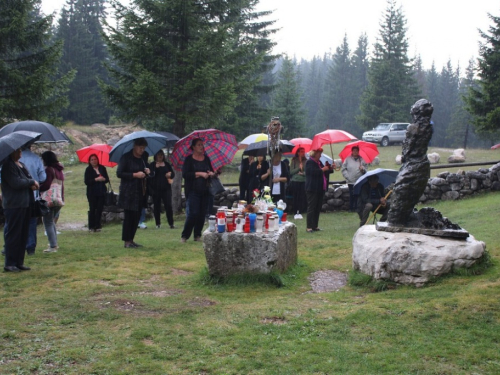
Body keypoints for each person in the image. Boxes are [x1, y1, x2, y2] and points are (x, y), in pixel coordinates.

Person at [2, 147, 39, 272]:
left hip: (25, 203)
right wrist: (31, 182)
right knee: (13, 234)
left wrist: (32, 184)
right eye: (18, 151)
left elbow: (26, 180)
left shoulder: (21, 164)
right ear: (12, 152)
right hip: (14, 204)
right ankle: (10, 263)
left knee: (23, 234)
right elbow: (16, 183)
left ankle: (19, 262)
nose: (20, 153)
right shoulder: (8, 165)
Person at [117, 138, 151, 248]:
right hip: (128, 191)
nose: (142, 150)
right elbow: (119, 173)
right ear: (134, 146)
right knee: (129, 216)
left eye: (144, 148)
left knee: (136, 216)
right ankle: (126, 241)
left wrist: (148, 171)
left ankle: (131, 239)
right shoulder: (126, 157)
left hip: (141, 191)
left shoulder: (144, 157)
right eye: (140, 148)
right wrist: (134, 175)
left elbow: (149, 171)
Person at [181, 138, 214, 243]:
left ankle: (197, 235)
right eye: (199, 145)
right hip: (192, 190)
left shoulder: (206, 158)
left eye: (202, 145)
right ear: (193, 147)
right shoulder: (189, 159)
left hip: (205, 190)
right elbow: (185, 175)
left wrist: (211, 173)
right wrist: (199, 174)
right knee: (193, 213)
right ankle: (185, 236)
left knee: (201, 214)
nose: (201, 147)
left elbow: (210, 170)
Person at [20, 146, 46, 255]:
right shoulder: (35, 158)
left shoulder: (11, 160)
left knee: (15, 221)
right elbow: (43, 177)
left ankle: (10, 246)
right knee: (31, 221)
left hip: (17, 196)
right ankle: (30, 247)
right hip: (33, 194)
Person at [39, 151, 65, 253]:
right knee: (52, 222)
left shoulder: (49, 170)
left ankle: (53, 246)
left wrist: (38, 187)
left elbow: (46, 185)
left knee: (47, 222)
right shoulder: (59, 170)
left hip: (49, 199)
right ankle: (54, 243)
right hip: (58, 199)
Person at [305, 147, 333, 233]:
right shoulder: (309, 162)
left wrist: (330, 168)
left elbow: (324, 172)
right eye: (319, 153)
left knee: (318, 207)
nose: (320, 155)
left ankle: (315, 226)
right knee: (311, 207)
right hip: (312, 188)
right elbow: (312, 172)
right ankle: (309, 226)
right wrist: (322, 169)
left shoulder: (319, 162)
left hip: (320, 188)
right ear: (315, 153)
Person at [149, 149, 175, 229]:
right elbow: (150, 176)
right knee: (157, 206)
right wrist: (155, 169)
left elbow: (172, 174)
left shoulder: (166, 164)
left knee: (168, 206)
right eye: (158, 154)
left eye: (161, 154)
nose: (160, 156)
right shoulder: (152, 165)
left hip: (166, 188)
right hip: (156, 189)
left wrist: (169, 175)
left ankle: (171, 223)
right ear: (155, 156)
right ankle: (158, 224)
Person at [84, 154, 110, 232]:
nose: (94, 161)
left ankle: (98, 225)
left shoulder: (102, 168)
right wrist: (96, 179)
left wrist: (103, 179)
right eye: (92, 160)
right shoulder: (88, 169)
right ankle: (91, 226)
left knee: (99, 209)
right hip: (92, 192)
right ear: (89, 161)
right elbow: (87, 182)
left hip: (101, 191)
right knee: (92, 209)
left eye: (95, 159)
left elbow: (107, 179)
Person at [341, 146, 367, 212]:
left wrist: (363, 169)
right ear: (352, 151)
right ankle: (351, 208)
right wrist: (348, 176)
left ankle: (357, 207)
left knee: (357, 194)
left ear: (358, 152)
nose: (355, 152)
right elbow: (343, 169)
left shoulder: (362, 160)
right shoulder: (347, 159)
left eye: (356, 151)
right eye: (354, 150)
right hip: (351, 180)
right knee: (351, 194)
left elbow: (366, 170)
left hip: (359, 181)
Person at [289, 147, 307, 215]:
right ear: (298, 153)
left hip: (303, 181)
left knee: (302, 196)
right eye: (301, 151)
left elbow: (307, 172)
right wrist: (298, 168)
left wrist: (303, 173)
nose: (303, 153)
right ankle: (295, 210)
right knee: (296, 196)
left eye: (304, 151)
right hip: (295, 181)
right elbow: (291, 172)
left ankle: (302, 210)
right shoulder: (294, 161)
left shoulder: (306, 161)